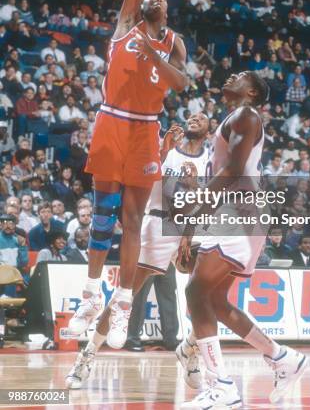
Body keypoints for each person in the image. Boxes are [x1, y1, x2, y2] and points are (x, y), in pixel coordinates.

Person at [68, 0, 187, 349]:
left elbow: (182, 82)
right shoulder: (125, 22)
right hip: (112, 120)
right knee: (103, 215)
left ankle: (121, 305)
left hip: (145, 130)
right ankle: (90, 296)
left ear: (168, 8)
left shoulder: (173, 41)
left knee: (134, 221)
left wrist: (158, 59)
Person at [179, 72, 306, 408]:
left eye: (239, 76)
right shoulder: (234, 118)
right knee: (216, 301)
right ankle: (281, 357)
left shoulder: (246, 115)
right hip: (238, 212)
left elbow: (234, 170)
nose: (230, 75)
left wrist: (196, 212)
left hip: (239, 210)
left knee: (195, 290)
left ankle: (222, 386)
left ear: (251, 91)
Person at [66, 113, 210, 388]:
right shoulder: (166, 149)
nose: (195, 118)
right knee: (124, 298)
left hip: (189, 231)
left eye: (202, 118)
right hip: (157, 224)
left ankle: (190, 351)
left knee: (210, 291)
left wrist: (189, 232)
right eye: (192, 116)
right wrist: (182, 181)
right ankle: (86, 357)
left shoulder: (208, 160)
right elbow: (162, 193)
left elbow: (203, 204)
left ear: (208, 131)